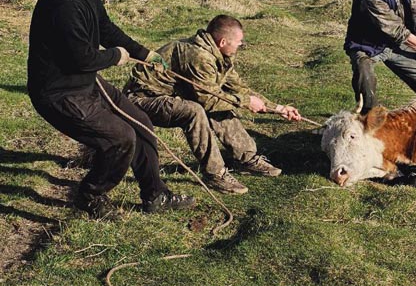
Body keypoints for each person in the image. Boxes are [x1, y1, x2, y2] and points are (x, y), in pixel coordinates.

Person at [27, 0, 195, 219]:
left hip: (84, 82)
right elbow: (80, 58)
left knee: (140, 123)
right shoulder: (62, 3)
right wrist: (116, 57)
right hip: (59, 93)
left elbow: (105, 28)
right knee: (120, 138)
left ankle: (155, 195)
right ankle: (91, 195)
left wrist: (145, 53)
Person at [123, 15, 302, 195]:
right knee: (196, 111)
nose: (241, 45)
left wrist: (277, 108)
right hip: (140, 100)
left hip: (167, 97)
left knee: (221, 104)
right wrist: (246, 103)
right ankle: (215, 174)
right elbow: (209, 100)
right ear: (223, 41)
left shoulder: (218, 55)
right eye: (239, 42)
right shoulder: (199, 56)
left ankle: (247, 159)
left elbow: (239, 89)